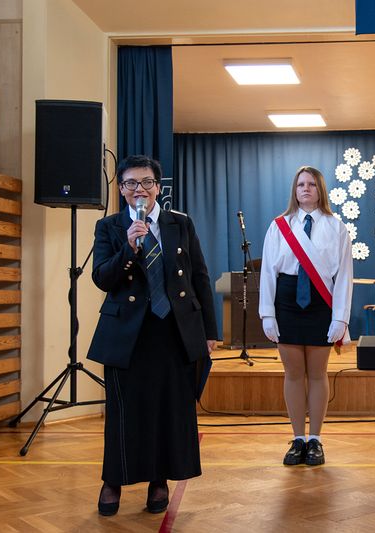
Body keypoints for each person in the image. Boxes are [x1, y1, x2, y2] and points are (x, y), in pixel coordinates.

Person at [87, 155, 218, 515]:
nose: (138, 189)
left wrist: (209, 331)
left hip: (175, 331)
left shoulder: (181, 224)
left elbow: (200, 278)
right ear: (121, 189)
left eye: (146, 182)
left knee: (170, 411)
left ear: (158, 187)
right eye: (130, 183)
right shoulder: (110, 228)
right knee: (124, 412)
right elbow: (102, 278)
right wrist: (128, 249)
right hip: (128, 334)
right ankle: (113, 479)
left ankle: (160, 480)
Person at [259, 166, 353, 466]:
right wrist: (267, 314)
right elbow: (268, 273)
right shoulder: (279, 226)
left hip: (321, 304)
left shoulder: (336, 227)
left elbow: (344, 277)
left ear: (320, 189)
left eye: (312, 184)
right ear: (294, 190)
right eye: (300, 184)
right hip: (286, 301)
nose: (306, 189)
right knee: (293, 373)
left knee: (317, 373)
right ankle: (297, 438)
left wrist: (340, 318)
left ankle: (316, 440)